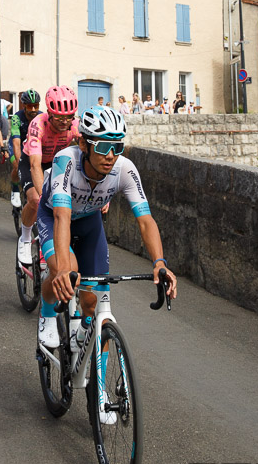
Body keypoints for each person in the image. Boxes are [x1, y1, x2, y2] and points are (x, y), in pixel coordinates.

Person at [36, 106, 177, 370]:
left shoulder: (124, 169)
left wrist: (159, 262)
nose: (110, 156)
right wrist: (64, 269)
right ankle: (46, 312)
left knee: (93, 303)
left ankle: (97, 389)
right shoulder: (65, 161)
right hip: (53, 216)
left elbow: (145, 220)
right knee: (65, 271)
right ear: (83, 144)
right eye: (102, 147)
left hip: (89, 222)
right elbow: (62, 217)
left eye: (117, 147)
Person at [17, 86, 79, 265]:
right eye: (59, 117)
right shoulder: (38, 124)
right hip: (33, 160)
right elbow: (35, 165)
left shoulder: (74, 125)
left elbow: (88, 153)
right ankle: (25, 237)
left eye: (68, 117)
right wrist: (44, 199)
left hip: (55, 163)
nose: (64, 122)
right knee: (36, 200)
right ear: (50, 113)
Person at [9, 89, 42, 208]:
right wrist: (19, 162)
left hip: (33, 147)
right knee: (17, 165)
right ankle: (15, 189)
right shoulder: (17, 118)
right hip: (18, 145)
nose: (33, 109)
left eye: (35, 106)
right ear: (24, 106)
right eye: (30, 106)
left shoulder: (42, 117)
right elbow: (16, 143)